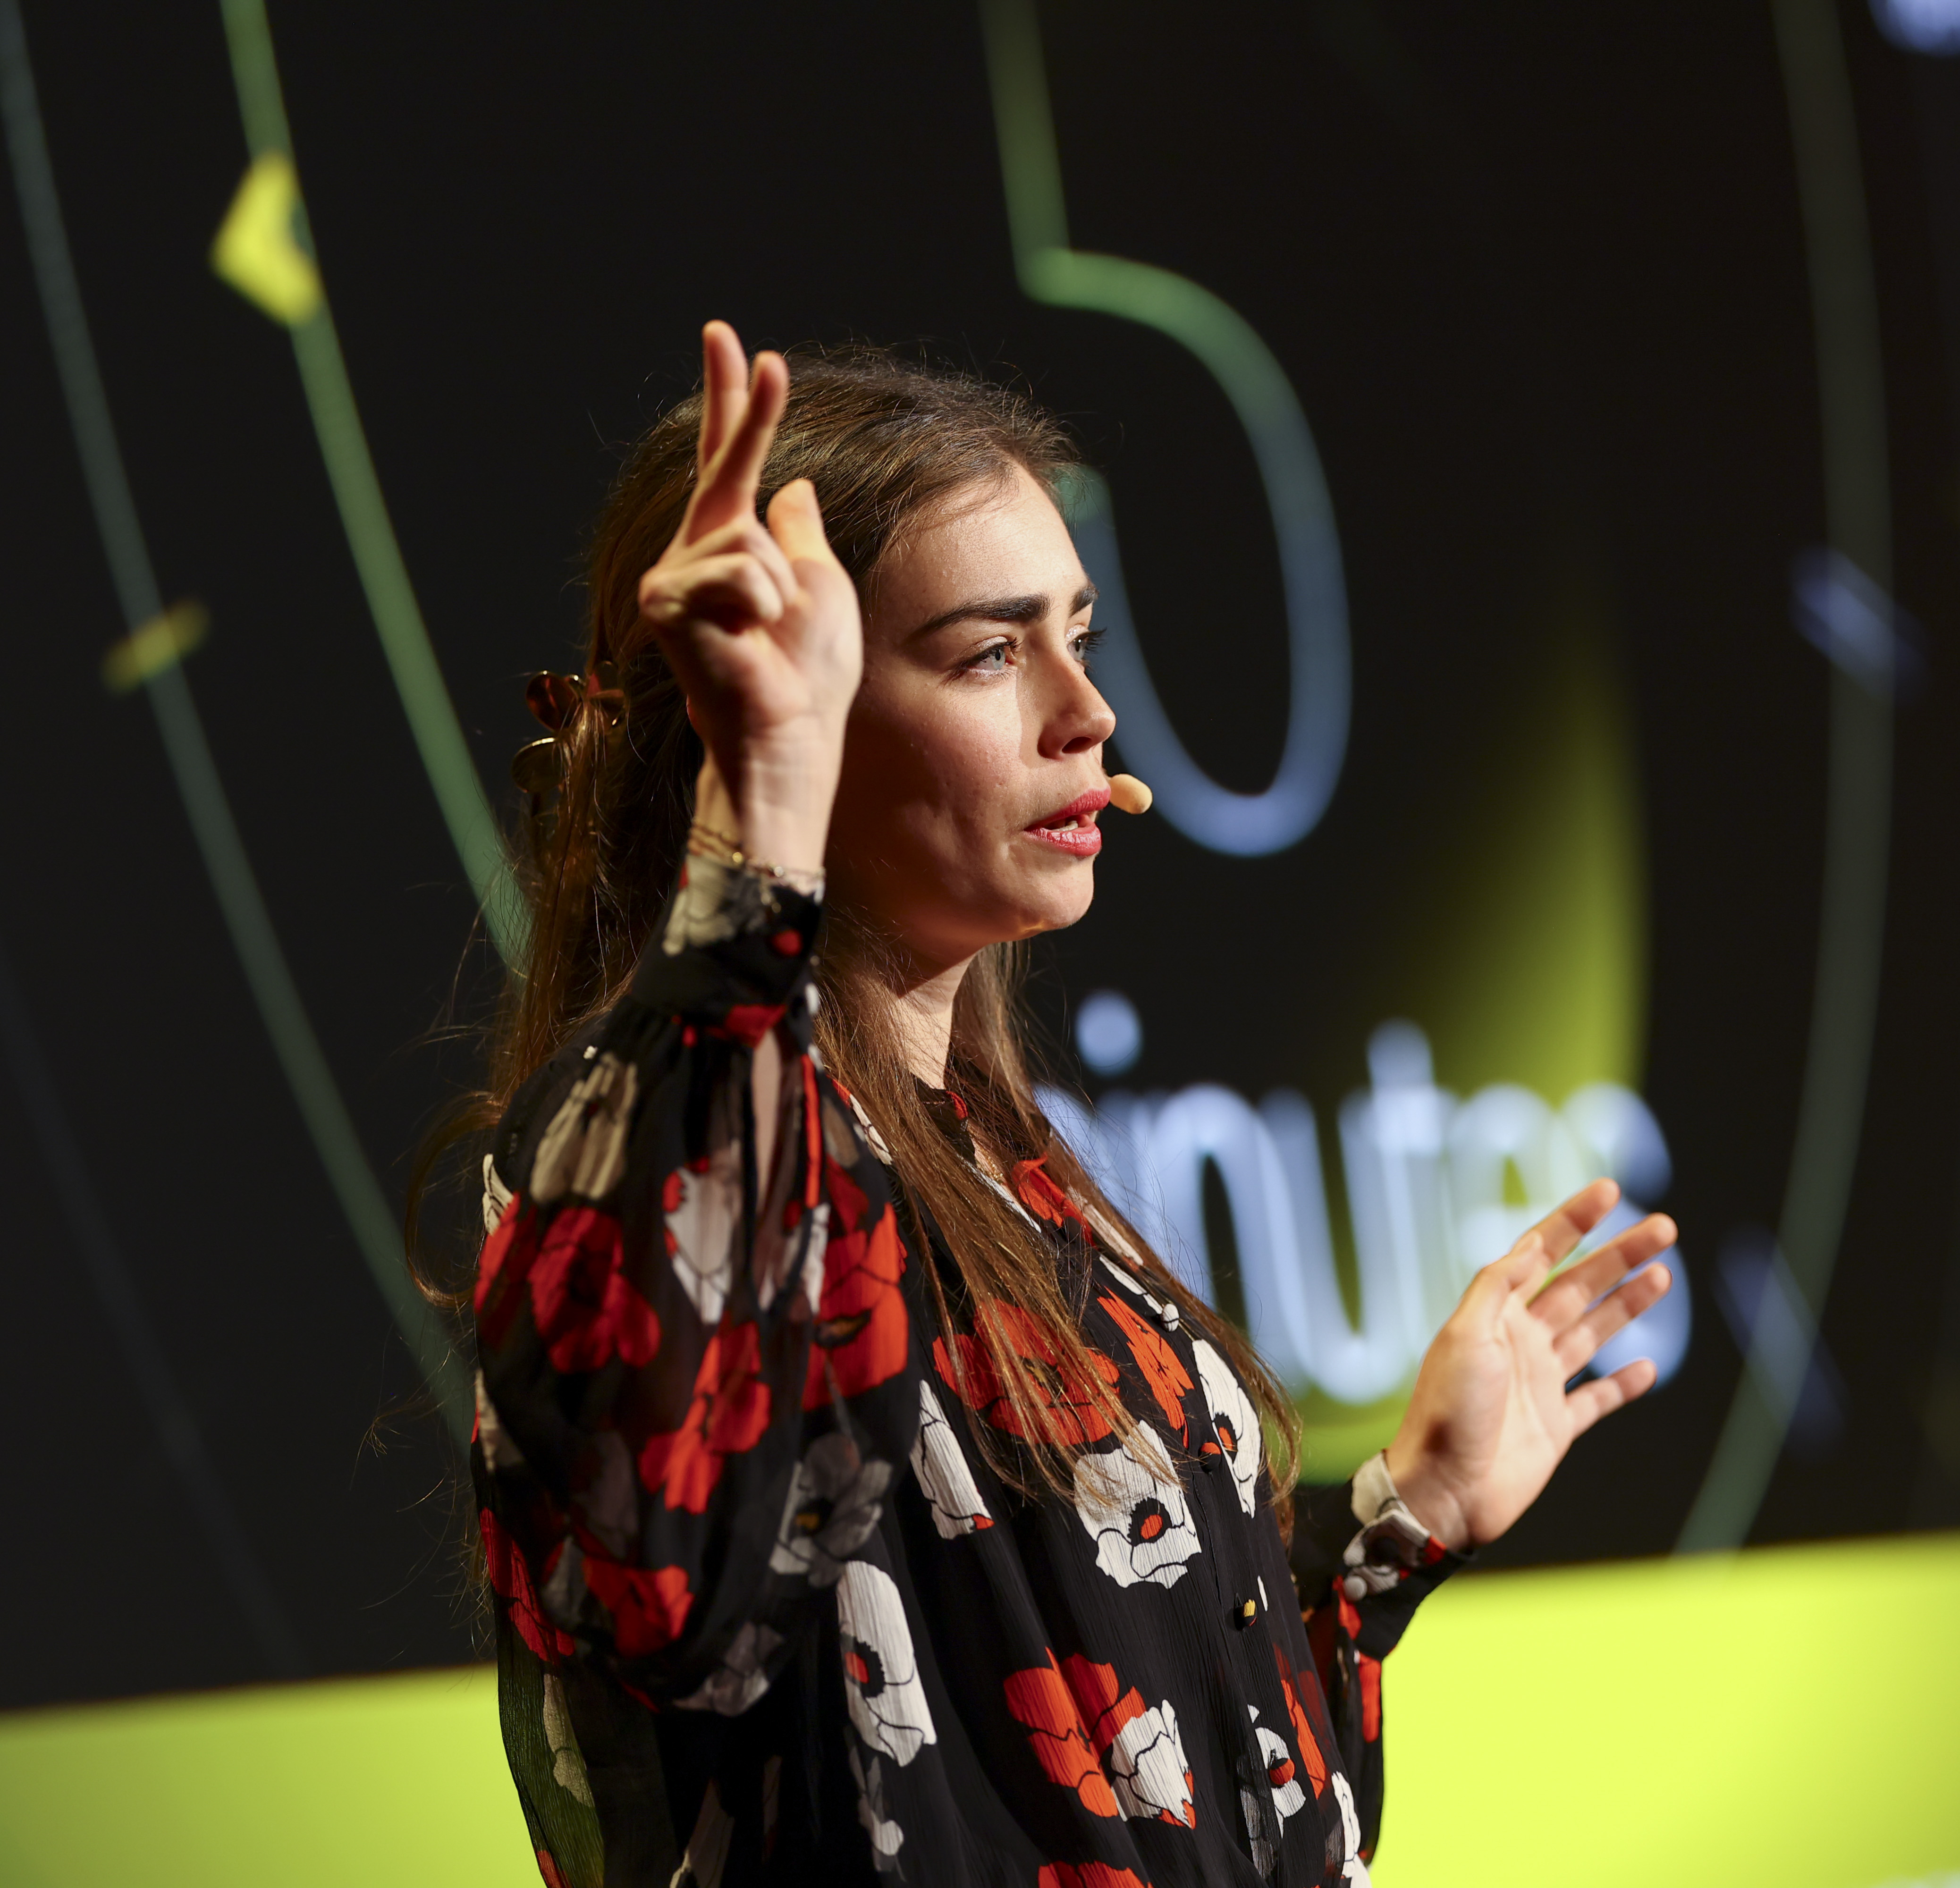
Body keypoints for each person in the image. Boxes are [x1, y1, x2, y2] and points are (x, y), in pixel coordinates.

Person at [454, 322, 1677, 1887]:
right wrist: (757, 820)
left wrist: (1398, 1518)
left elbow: (1143, 1769)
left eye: (1079, 637)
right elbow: (666, 1586)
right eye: (989, 654)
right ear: (780, 704)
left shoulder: (997, 1161)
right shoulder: (650, 1140)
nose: (1088, 711)